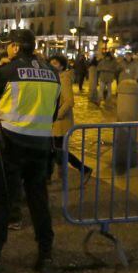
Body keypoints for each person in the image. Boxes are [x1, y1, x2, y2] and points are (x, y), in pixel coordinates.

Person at [0, 29, 61, 273]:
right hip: (41, 145)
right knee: (39, 201)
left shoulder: (7, 71)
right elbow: (53, 111)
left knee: (2, 202)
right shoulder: (52, 73)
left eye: (8, 45)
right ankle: (46, 255)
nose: (6, 48)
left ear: (16, 48)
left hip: (12, 145)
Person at [48, 54, 92, 183]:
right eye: (51, 63)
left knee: (57, 151)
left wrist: (57, 115)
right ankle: (57, 175)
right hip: (54, 121)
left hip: (60, 122)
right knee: (55, 150)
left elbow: (69, 101)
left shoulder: (64, 79)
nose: (52, 65)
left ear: (61, 66)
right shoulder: (54, 78)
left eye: (55, 63)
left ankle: (84, 168)